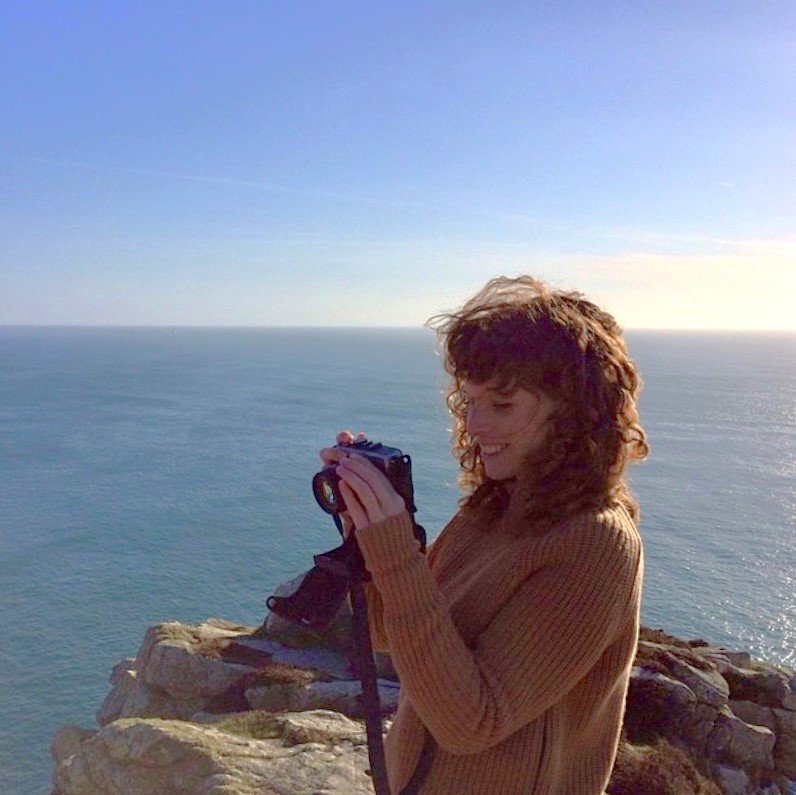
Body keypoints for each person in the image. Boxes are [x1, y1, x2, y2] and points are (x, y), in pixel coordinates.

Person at [320, 275, 649, 795]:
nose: (474, 424)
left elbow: (470, 723)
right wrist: (368, 534)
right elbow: (393, 637)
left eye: (501, 405)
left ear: (575, 414)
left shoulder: (594, 543)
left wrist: (398, 553)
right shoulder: (493, 512)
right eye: (469, 401)